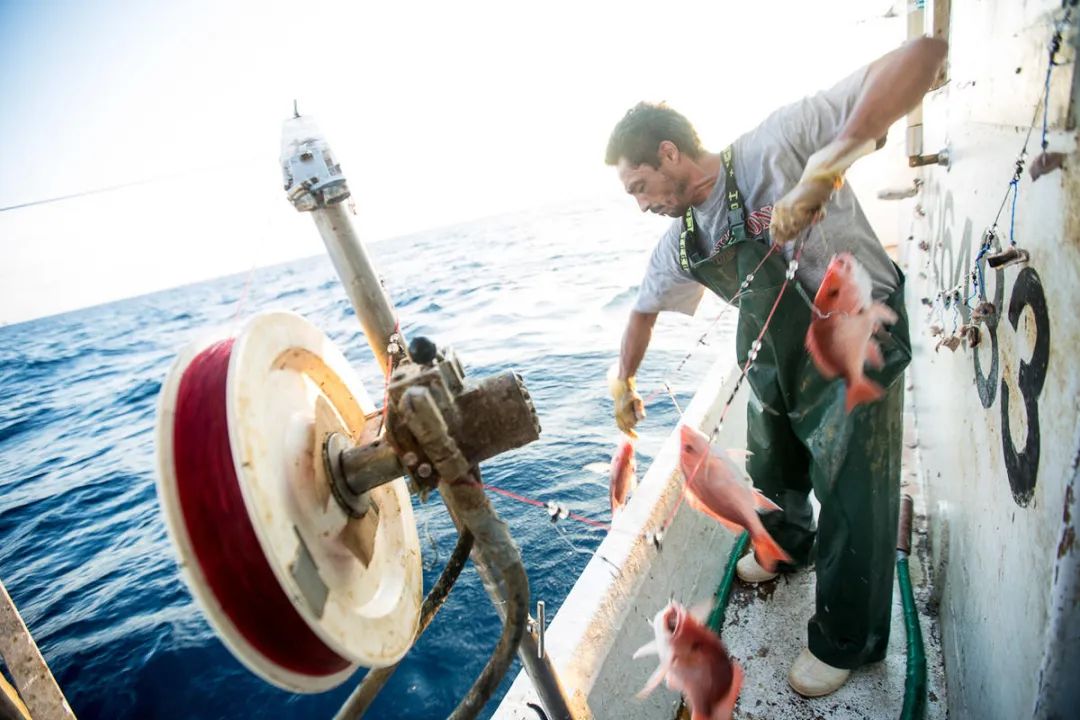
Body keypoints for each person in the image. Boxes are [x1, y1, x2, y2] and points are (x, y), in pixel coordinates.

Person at [605, 37, 947, 697]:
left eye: (640, 184)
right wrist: (625, 382)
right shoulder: (682, 239)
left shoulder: (774, 144)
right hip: (777, 356)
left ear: (669, 154)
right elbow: (642, 314)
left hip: (857, 336)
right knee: (774, 460)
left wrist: (826, 168)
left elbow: (925, 55)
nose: (641, 202)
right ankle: (789, 542)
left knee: (855, 493)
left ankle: (848, 637)